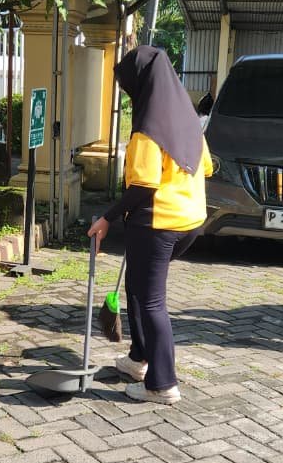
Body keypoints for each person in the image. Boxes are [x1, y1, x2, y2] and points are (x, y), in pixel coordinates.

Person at [88, 45, 211, 405]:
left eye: (129, 88)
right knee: (137, 287)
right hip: (189, 222)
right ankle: (139, 359)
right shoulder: (190, 124)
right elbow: (205, 167)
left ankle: (162, 384)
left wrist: (107, 217)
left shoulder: (147, 131)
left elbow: (143, 185)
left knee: (152, 301)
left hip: (158, 223)